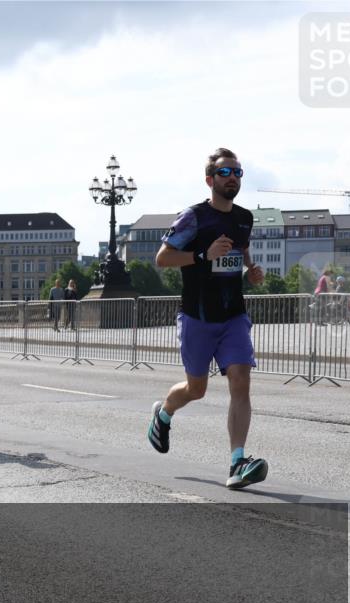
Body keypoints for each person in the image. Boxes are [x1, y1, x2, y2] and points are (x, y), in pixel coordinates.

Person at [148, 147, 267, 490]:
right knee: (196, 389)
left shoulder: (244, 218)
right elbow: (162, 258)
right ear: (210, 179)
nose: (232, 178)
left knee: (241, 380)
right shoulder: (193, 217)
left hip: (233, 316)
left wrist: (251, 270)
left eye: (237, 173)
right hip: (197, 318)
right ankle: (164, 412)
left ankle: (237, 461)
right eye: (225, 172)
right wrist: (203, 254)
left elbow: (240, 248)